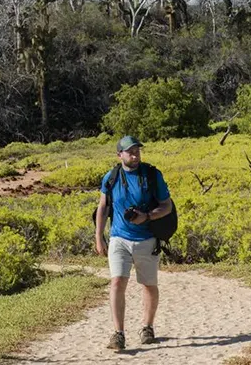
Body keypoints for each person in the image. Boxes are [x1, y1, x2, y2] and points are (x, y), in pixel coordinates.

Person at [94, 135, 173, 351]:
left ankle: (147, 327)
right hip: (119, 238)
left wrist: (146, 216)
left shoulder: (152, 175)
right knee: (117, 281)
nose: (135, 154)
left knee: (149, 285)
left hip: (147, 239)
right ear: (120, 154)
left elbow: (167, 206)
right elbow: (103, 207)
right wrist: (99, 236)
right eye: (130, 151)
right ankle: (118, 333)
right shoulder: (110, 177)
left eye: (137, 150)